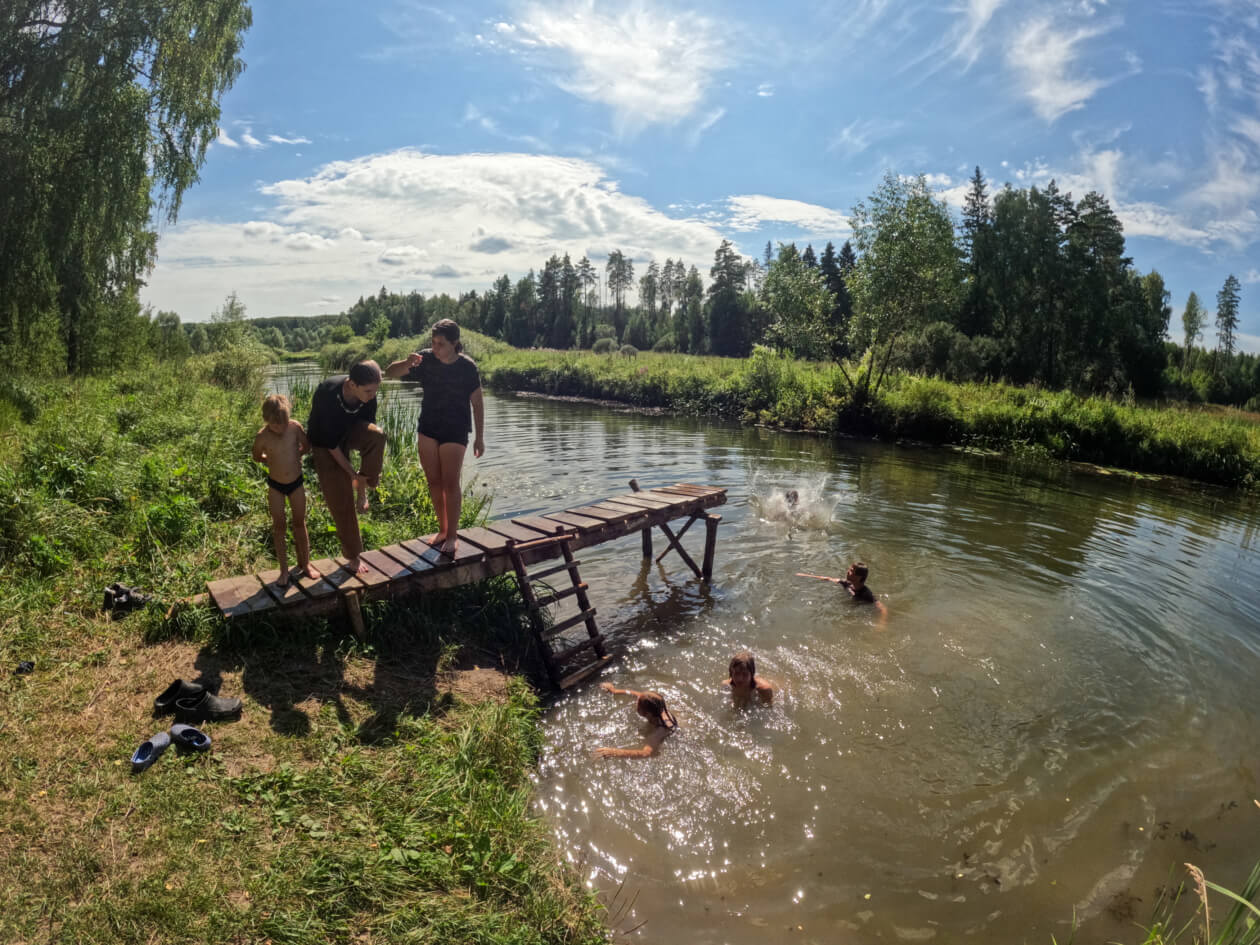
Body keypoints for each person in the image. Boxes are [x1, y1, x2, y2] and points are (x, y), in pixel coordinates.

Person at [384, 319, 484, 554]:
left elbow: (478, 404)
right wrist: (407, 362)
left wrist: (480, 438)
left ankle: (452, 536)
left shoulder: (467, 367)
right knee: (434, 482)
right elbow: (390, 372)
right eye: (433, 342)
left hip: (455, 429)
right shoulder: (425, 359)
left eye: (440, 343)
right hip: (428, 427)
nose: (435, 347)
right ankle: (442, 529)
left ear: (454, 343)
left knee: (450, 483)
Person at [306, 360, 385, 574]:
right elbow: (331, 444)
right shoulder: (328, 394)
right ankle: (353, 556)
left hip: (349, 432)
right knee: (341, 500)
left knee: (377, 436)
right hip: (325, 443)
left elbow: (367, 436)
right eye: (368, 391)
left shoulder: (369, 396)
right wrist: (352, 474)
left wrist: (361, 489)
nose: (372, 395)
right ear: (351, 385)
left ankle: (368, 485)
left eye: (375, 390)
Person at [251, 394, 319, 587]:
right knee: (279, 526)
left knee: (299, 522)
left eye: (283, 423)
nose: (280, 428)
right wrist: (269, 459)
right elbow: (257, 456)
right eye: (275, 425)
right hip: (276, 486)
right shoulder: (262, 436)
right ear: (267, 420)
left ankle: (305, 564)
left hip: (296, 483)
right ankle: (283, 571)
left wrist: (296, 455)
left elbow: (306, 446)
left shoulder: (295, 428)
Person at [595, 682, 678, 758]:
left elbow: (646, 753)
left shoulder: (661, 730)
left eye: (638, 704)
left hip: (672, 735)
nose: (636, 702)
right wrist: (614, 691)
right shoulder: (656, 705)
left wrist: (614, 752)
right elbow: (635, 694)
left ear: (646, 713)